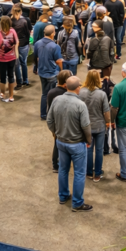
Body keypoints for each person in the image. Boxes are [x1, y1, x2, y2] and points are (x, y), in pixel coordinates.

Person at [46, 76, 93, 212]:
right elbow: (86, 126)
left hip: (61, 142)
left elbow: (49, 120)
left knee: (63, 169)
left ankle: (63, 196)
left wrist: (56, 133)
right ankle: (77, 202)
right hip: (77, 144)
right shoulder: (80, 105)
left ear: (66, 86)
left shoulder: (56, 100)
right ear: (78, 87)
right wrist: (88, 140)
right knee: (79, 173)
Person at [79, 68, 111, 183]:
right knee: (99, 150)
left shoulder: (81, 92)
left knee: (88, 149)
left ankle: (88, 172)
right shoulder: (102, 94)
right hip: (99, 126)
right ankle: (97, 174)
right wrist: (108, 123)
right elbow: (106, 112)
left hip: (86, 126)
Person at [34, 25, 64, 119]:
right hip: (52, 73)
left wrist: (36, 68)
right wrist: (62, 71)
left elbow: (36, 57)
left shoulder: (37, 43)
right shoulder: (55, 46)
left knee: (44, 94)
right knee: (52, 94)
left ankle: (43, 114)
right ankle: (51, 114)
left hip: (42, 72)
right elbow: (59, 61)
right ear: (52, 34)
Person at [47, 70, 71, 171]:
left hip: (55, 123)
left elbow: (49, 111)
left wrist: (52, 128)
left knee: (57, 142)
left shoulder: (51, 92)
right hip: (66, 122)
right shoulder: (68, 93)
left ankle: (55, 164)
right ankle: (64, 162)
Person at [0, 15, 20, 102]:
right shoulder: (13, 31)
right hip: (11, 57)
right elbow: (17, 42)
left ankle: (2, 94)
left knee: (3, 77)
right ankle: (11, 96)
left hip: (1, 58)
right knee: (11, 76)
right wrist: (15, 53)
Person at [11, 5, 33, 89]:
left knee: (16, 64)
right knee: (24, 62)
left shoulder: (11, 21)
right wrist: (28, 42)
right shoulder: (25, 21)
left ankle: (19, 82)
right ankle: (25, 80)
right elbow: (28, 32)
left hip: (14, 45)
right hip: (24, 44)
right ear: (21, 12)